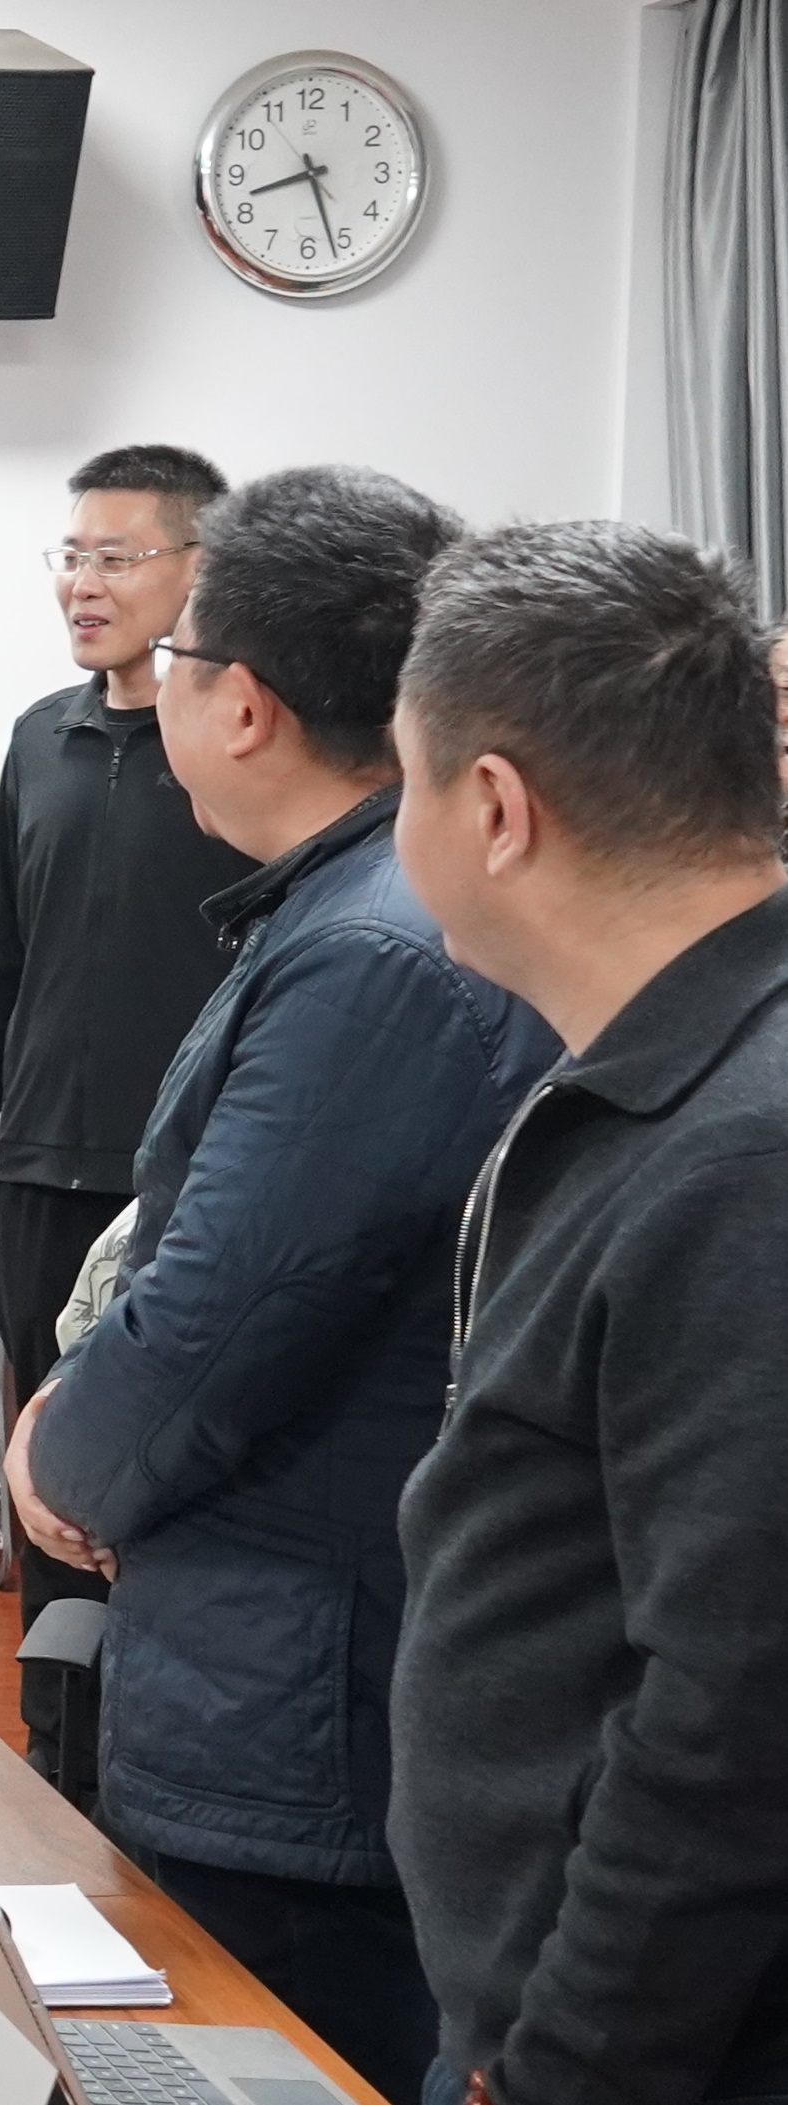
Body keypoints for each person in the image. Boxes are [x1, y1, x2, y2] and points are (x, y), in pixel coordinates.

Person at [4, 467, 558, 2098]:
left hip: (297, 1706)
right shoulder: (356, 908)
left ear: (239, 704)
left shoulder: (371, 952)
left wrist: (58, 1457)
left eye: (174, 657)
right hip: (287, 1654)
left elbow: (217, 1319)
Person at [389, 522, 788, 2105]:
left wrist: (563, 2068)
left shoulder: (745, 1154)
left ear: (493, 808)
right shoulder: (664, 1079)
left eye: (403, 780)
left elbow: (733, 1719)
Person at [0, 443, 256, 1793]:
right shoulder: (42, 736)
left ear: (197, 569)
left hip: (194, 1177)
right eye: (72, 555)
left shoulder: (233, 744)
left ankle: (157, 1758)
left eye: (117, 556)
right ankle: (57, 1753)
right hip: (43, 1166)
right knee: (42, 1461)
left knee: (163, 1473)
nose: (82, 584)